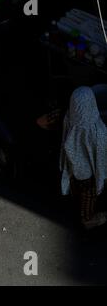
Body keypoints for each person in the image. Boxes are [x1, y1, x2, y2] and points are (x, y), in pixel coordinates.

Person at [60, 86, 107, 230]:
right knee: (89, 198)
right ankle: (87, 220)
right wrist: (101, 178)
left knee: (77, 192)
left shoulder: (69, 119)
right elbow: (100, 159)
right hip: (89, 175)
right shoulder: (98, 130)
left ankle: (75, 204)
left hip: (73, 169)